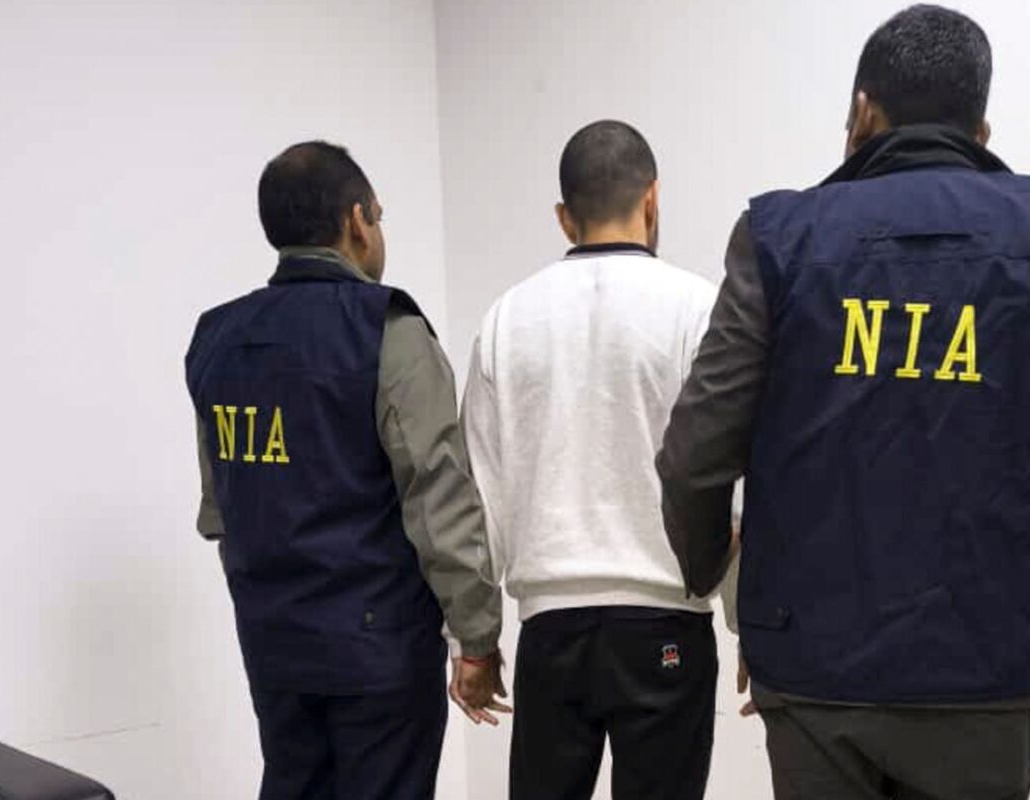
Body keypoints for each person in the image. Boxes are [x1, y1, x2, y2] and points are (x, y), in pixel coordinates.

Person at [656, 6, 1030, 800]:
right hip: (992, 672)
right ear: (981, 131)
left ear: (862, 112)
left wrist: (723, 578)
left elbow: (694, 455)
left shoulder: (781, 239)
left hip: (814, 672)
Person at [185, 141, 508, 800]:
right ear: (357, 221)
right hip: (379, 649)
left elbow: (222, 509)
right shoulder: (387, 329)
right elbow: (439, 499)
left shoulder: (216, 338)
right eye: (378, 217)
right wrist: (476, 637)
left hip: (273, 644)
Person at [461, 120, 731, 800]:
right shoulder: (698, 310)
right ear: (653, 198)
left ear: (564, 216)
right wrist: (749, 622)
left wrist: (473, 640)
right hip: (667, 618)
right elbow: (728, 477)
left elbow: (479, 498)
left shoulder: (506, 319)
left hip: (550, 627)